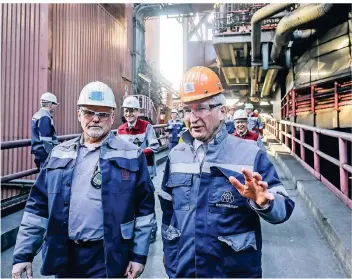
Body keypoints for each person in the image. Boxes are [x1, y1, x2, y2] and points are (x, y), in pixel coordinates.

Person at [158, 66, 295, 278]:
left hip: (232, 271)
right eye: (187, 109)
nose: (192, 118)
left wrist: (265, 203)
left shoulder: (250, 154)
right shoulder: (176, 155)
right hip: (185, 270)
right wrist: (169, 251)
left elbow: (284, 208)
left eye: (201, 108)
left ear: (222, 111)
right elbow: (168, 211)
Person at [12, 81, 155, 278]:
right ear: (79, 114)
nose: (95, 119)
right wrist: (23, 254)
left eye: (103, 113)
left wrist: (138, 256)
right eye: (89, 112)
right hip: (65, 255)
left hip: (108, 256)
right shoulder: (59, 154)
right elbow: (38, 207)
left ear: (112, 116)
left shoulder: (131, 155)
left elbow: (145, 210)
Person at [117, 95, 160, 243]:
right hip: (128, 173)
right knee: (130, 202)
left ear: (138, 112)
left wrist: (138, 154)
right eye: (126, 111)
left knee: (146, 202)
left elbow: (155, 146)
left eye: (132, 111)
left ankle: (152, 229)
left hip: (145, 172)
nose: (129, 114)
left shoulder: (146, 127)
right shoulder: (120, 130)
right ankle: (133, 230)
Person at [31, 92, 59, 168]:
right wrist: (52, 154)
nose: (56, 106)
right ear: (50, 104)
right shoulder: (45, 117)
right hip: (44, 154)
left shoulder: (38, 114)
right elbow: (46, 140)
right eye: (55, 104)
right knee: (46, 176)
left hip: (39, 152)